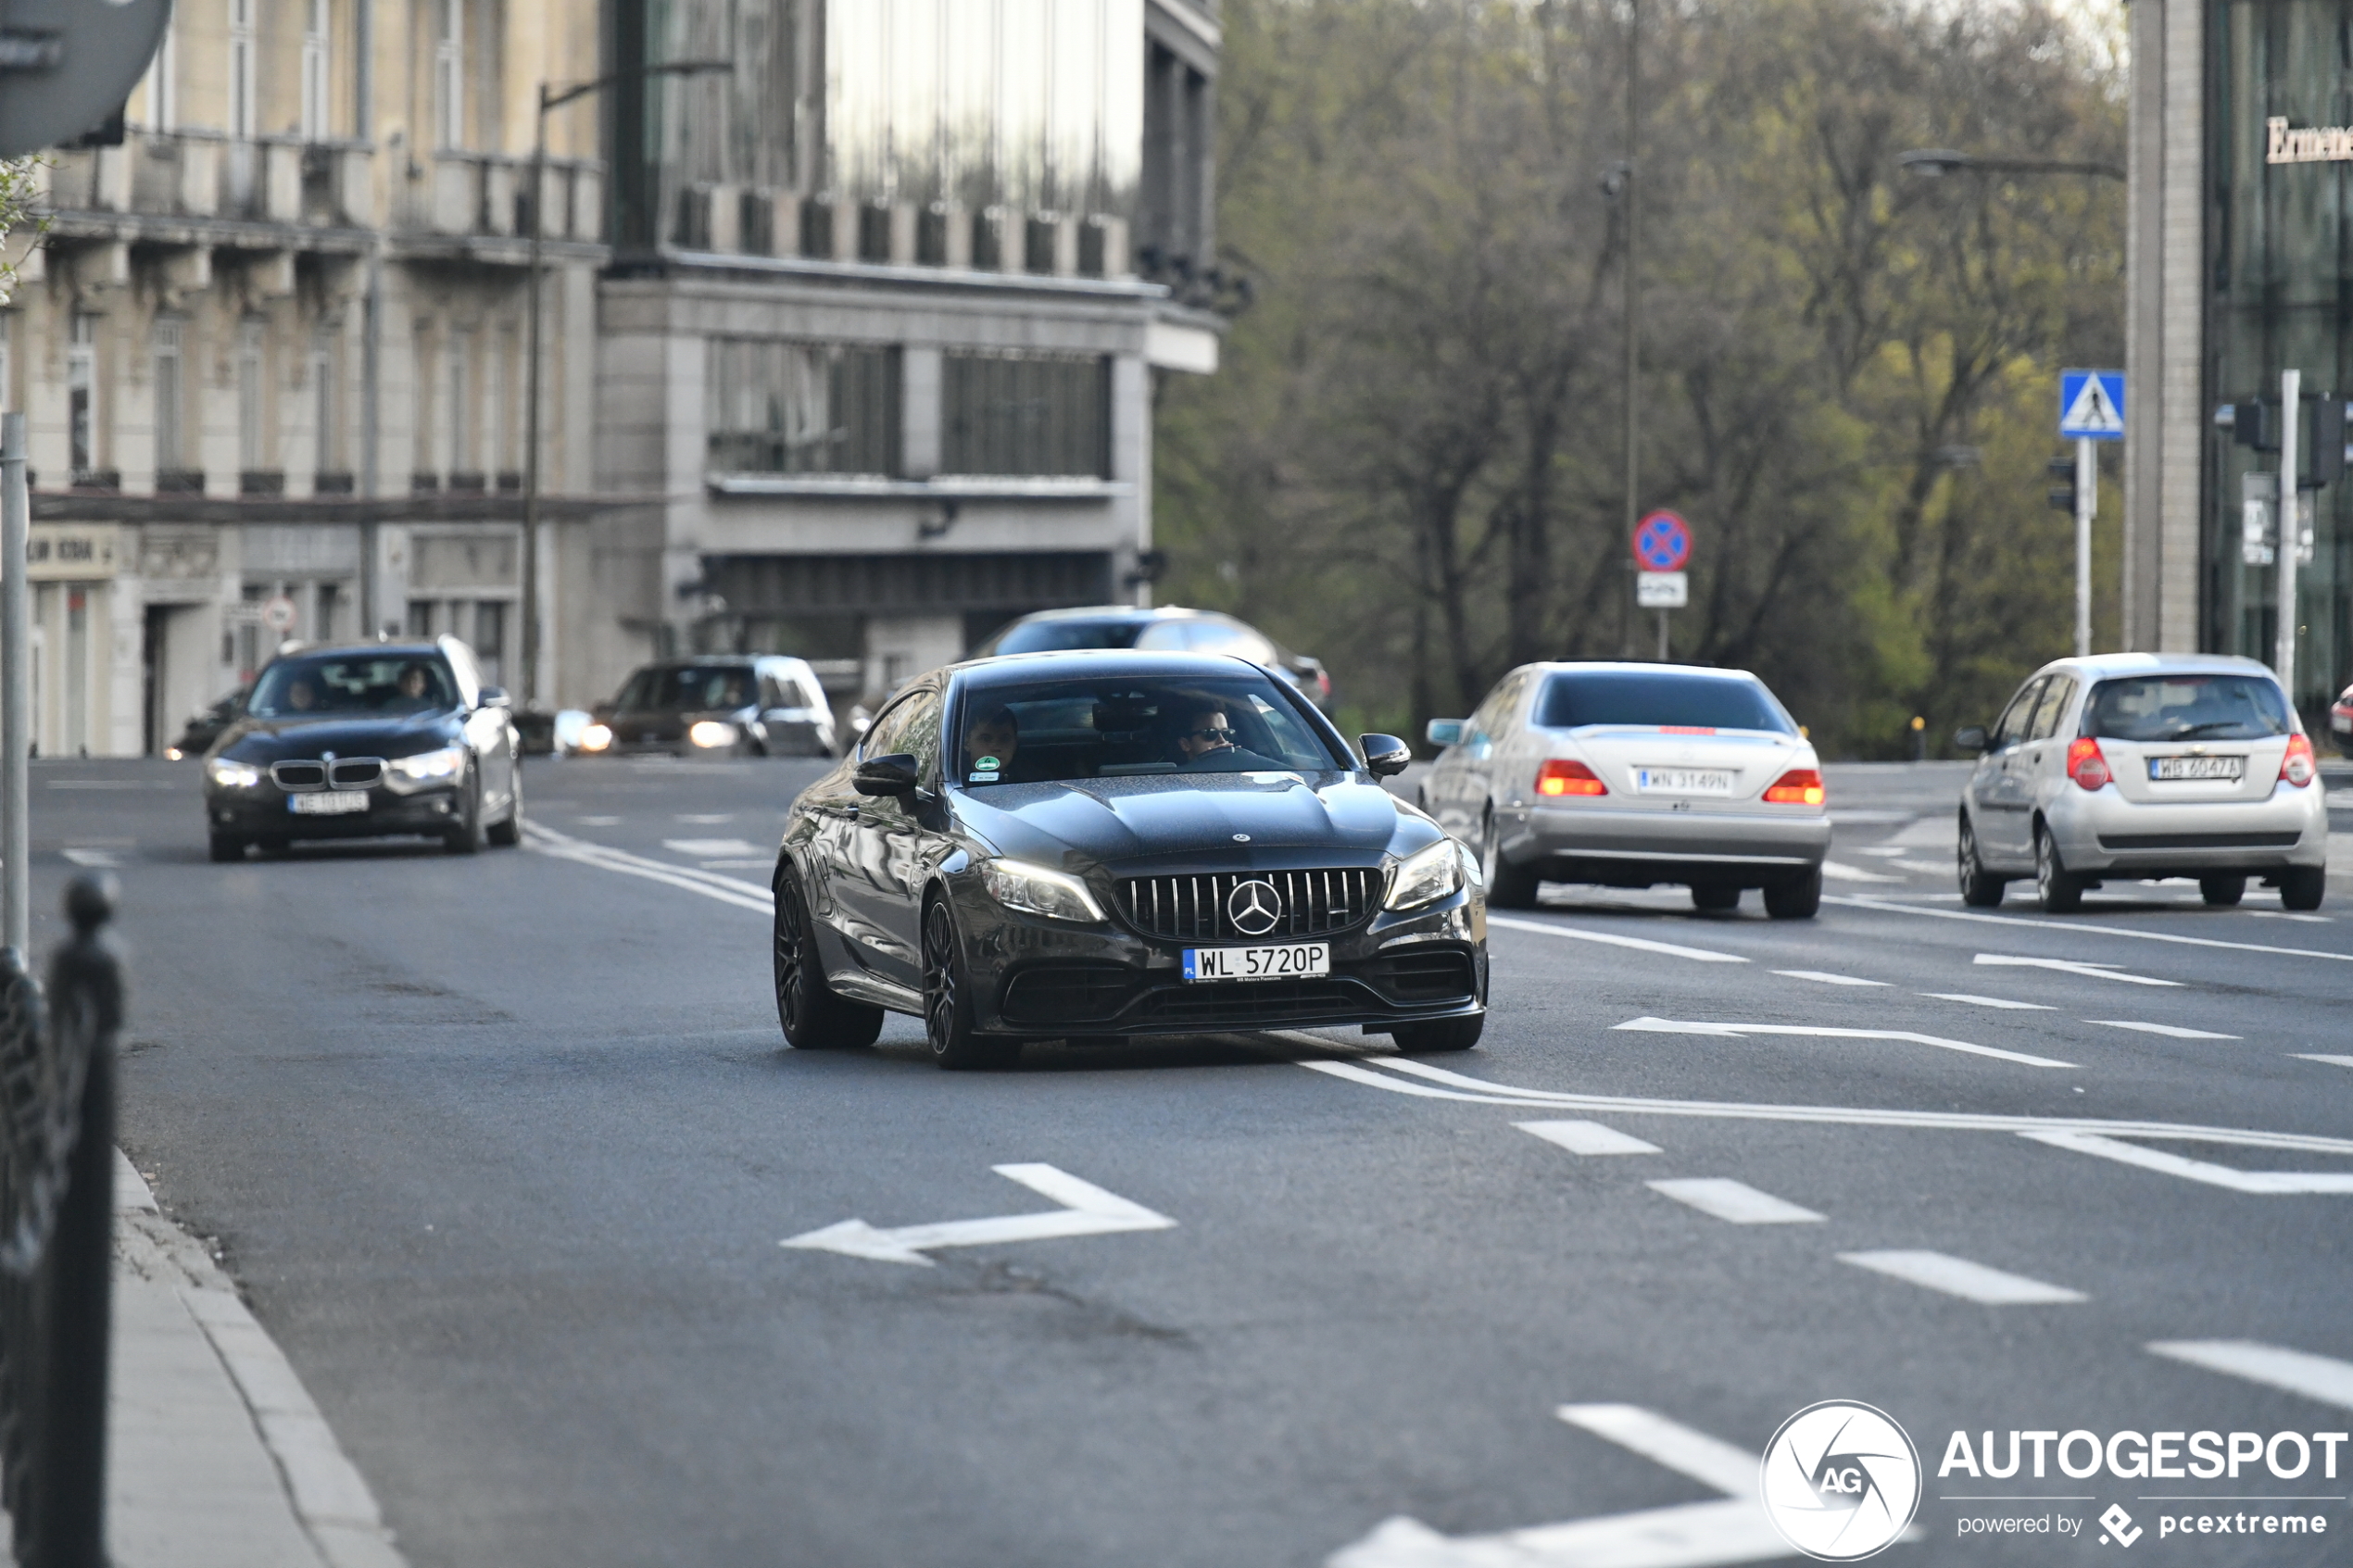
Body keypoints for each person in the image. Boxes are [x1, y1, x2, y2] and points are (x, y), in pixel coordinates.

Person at [1174, 703, 1281, 771]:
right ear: (1185, 744)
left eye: (1227, 733)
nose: (1222, 740)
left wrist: (1241, 761)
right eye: (1210, 733)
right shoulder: (1176, 783)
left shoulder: (1250, 771)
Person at [964, 707, 1020, 780]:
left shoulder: (1028, 784)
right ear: (967, 743)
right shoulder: (953, 779)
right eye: (985, 739)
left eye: (1005, 739)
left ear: (1015, 744)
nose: (996, 747)